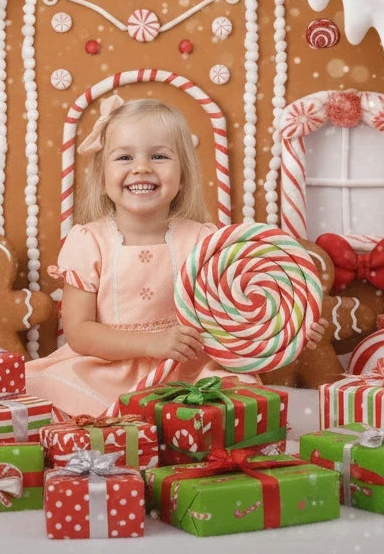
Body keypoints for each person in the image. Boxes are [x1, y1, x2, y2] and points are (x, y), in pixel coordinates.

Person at [25, 96, 248, 415]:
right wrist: (151, 343)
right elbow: (79, 333)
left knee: (235, 392)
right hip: (109, 371)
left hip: (186, 369)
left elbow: (232, 311)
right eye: (125, 157)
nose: (141, 168)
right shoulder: (89, 241)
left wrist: (283, 328)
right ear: (101, 176)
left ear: (183, 175)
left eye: (159, 156)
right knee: (54, 392)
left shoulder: (202, 240)